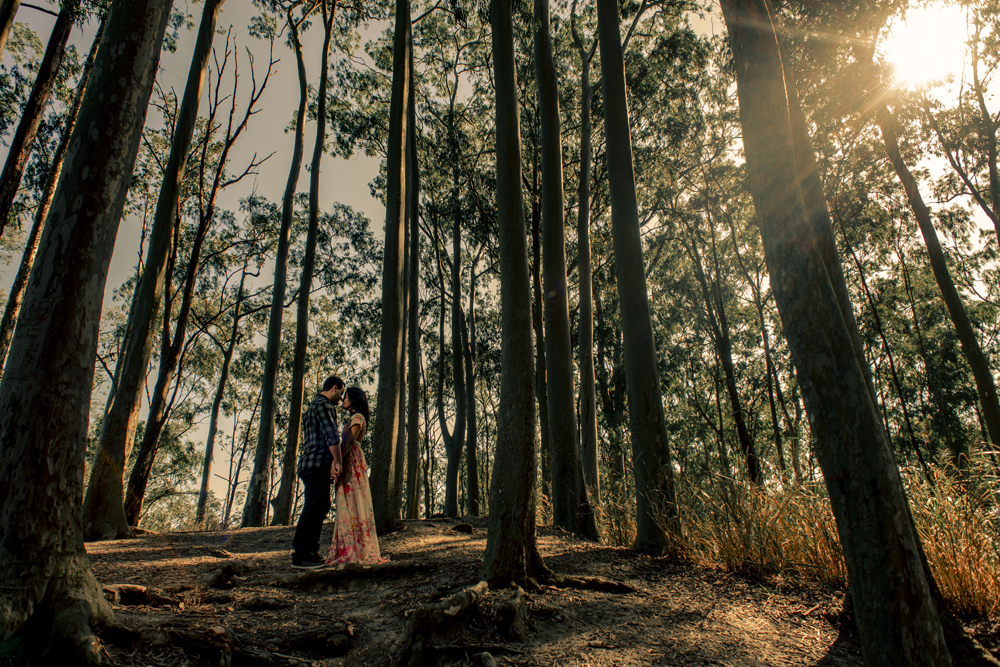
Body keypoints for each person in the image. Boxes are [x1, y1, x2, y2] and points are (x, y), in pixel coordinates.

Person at [326, 386, 387, 566]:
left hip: (351, 460)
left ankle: (354, 551)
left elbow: (349, 441)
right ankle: (351, 548)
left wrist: (336, 461)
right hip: (351, 459)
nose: (343, 399)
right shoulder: (356, 418)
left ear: (354, 400)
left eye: (346, 397)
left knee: (351, 501)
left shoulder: (357, 417)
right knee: (350, 502)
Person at [291, 376, 344, 569]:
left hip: (313, 464)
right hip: (315, 464)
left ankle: (311, 551)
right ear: (334, 388)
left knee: (321, 505)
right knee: (315, 505)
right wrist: (338, 461)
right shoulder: (324, 405)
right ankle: (301, 555)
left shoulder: (313, 406)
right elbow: (332, 435)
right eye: (340, 393)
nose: (340, 398)